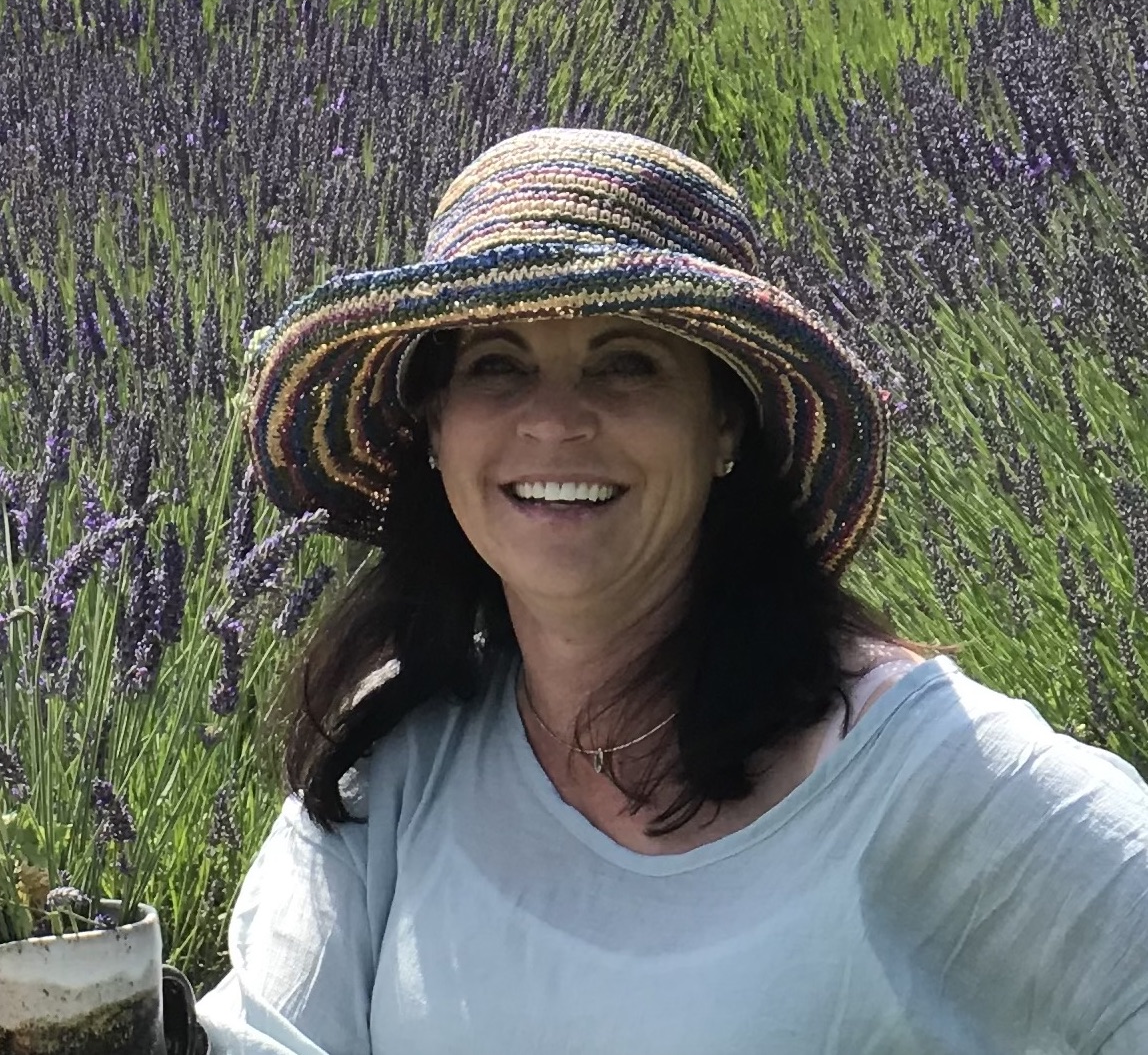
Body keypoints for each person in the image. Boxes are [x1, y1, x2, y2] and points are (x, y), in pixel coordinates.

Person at [196, 127, 1148, 1054]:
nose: (556, 421)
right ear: (437, 430)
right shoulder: (400, 759)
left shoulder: (910, 771)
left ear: (724, 424)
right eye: (498, 364)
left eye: (626, 362)